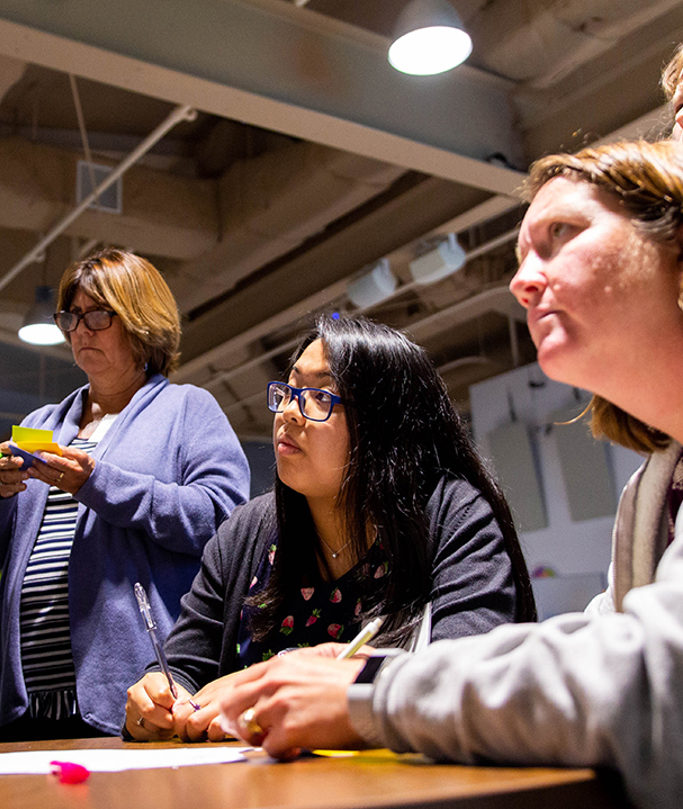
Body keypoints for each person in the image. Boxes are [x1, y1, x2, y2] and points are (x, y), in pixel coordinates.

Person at [218, 139, 683, 809]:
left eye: (562, 234)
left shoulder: (451, 512)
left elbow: (653, 683)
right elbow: (592, 647)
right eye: (522, 252)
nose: (522, 281)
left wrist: (369, 688)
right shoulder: (652, 493)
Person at [125, 314, 536, 742]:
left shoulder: (450, 514)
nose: (288, 412)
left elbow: (467, 673)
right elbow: (184, 669)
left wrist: (269, 684)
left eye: (319, 396)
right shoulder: (245, 532)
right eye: (289, 390)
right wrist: (157, 700)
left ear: (384, 423)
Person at [0, 247, 250, 740]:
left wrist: (96, 483)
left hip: (134, 697)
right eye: (71, 317)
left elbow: (222, 521)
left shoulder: (188, 410)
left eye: (98, 315)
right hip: (24, 702)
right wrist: (0, 495)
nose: (80, 330)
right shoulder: (42, 424)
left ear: (141, 321)